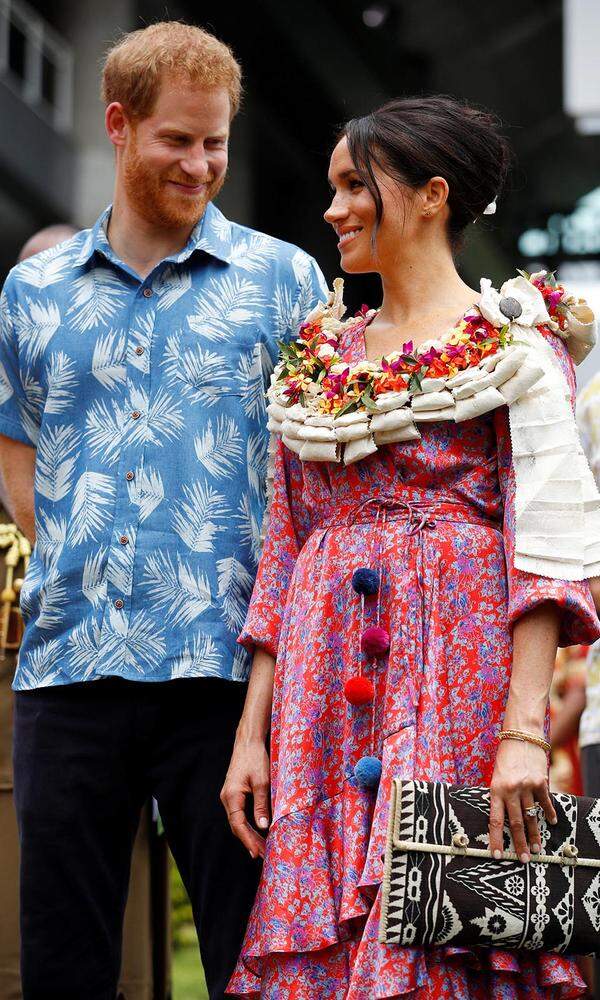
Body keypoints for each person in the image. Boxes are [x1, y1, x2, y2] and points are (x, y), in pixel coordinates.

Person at [222, 95, 600, 998]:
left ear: (432, 197)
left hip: (458, 677)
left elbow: (544, 547)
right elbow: (286, 544)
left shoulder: (518, 348)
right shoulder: (316, 356)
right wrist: (252, 733)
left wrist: (523, 735)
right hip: (321, 689)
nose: (334, 208)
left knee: (452, 913)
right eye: (333, 188)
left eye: (356, 185)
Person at [0, 21, 326, 1000]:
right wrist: (68, 550)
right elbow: (15, 446)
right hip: (68, 674)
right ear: (118, 125)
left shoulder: (284, 282)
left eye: (215, 141)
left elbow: (318, 476)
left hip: (229, 686)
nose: (201, 163)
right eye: (177, 139)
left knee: (253, 962)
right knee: (65, 967)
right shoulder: (34, 292)